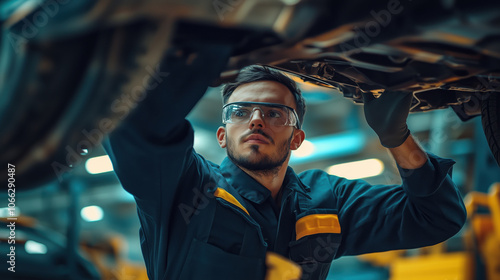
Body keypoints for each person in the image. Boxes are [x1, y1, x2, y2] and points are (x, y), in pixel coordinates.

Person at [104, 48, 466, 280]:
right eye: (239, 112)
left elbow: (437, 217)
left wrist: (397, 138)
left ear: (296, 138)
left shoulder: (328, 198)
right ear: (221, 135)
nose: (256, 120)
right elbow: (134, 130)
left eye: (275, 113)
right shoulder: (188, 188)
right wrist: (198, 58)